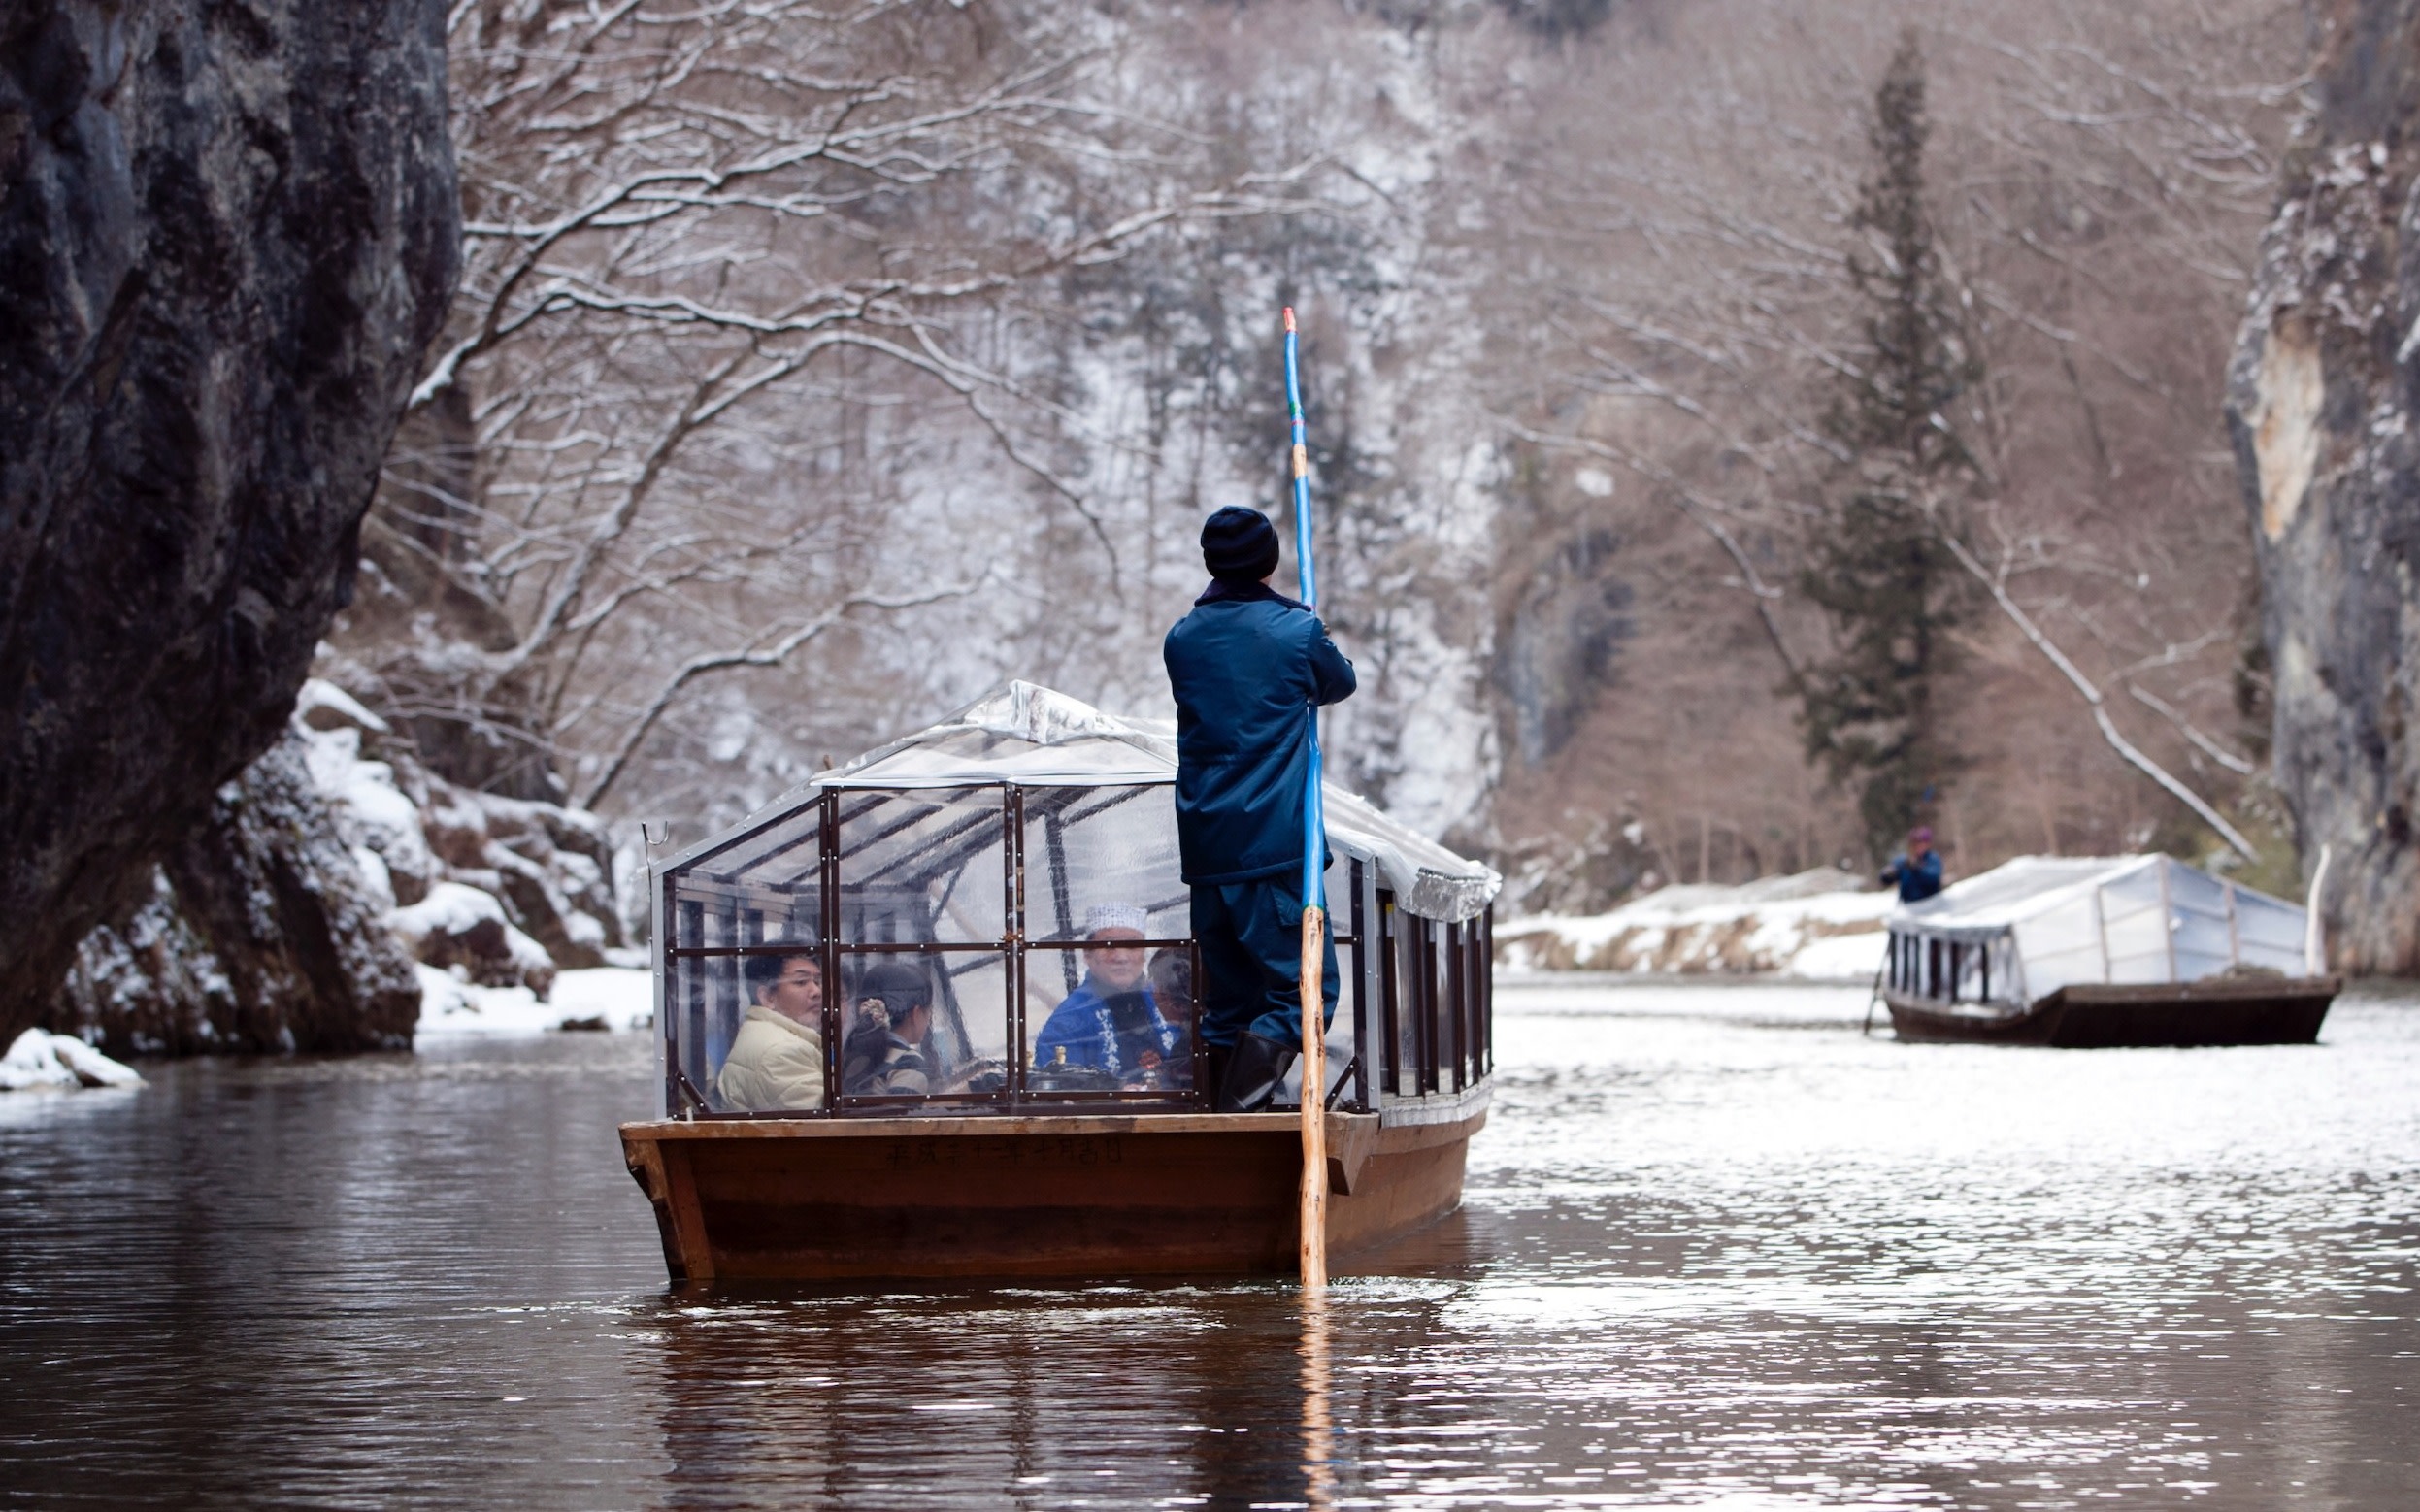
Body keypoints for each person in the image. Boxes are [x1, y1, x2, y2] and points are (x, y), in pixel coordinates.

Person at [1163, 504, 1356, 1111]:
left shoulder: (1182, 638)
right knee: (1308, 992)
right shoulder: (1295, 633)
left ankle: (1218, 1124)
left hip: (1206, 845)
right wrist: (1310, 625)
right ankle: (1241, 1116)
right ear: (1270, 561)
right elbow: (1338, 682)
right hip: (1272, 845)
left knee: (1229, 1001)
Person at [1034, 904, 1182, 1084]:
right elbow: (1056, 1087)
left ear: (1144, 953)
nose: (1121, 957)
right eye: (1109, 946)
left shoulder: (1169, 1001)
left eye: (1132, 946)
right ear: (1088, 955)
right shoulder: (1066, 1022)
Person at [715, 945, 827, 1112]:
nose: (817, 991)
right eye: (801, 982)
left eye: (817, 981)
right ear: (767, 997)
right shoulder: (780, 1052)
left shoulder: (766, 1033)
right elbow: (831, 1120)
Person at [842, 961, 934, 1097]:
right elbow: (903, 1116)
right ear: (916, 1013)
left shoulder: (850, 1052)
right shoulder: (908, 1062)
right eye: (928, 1012)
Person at [1880, 827, 1945, 903]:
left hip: (1930, 903)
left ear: (1927, 844)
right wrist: (1888, 874)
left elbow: (1934, 877)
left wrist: (1917, 868)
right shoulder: (1903, 860)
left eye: (1921, 842)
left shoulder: (1932, 859)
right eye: (1915, 843)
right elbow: (1887, 877)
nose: (1918, 846)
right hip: (1908, 906)